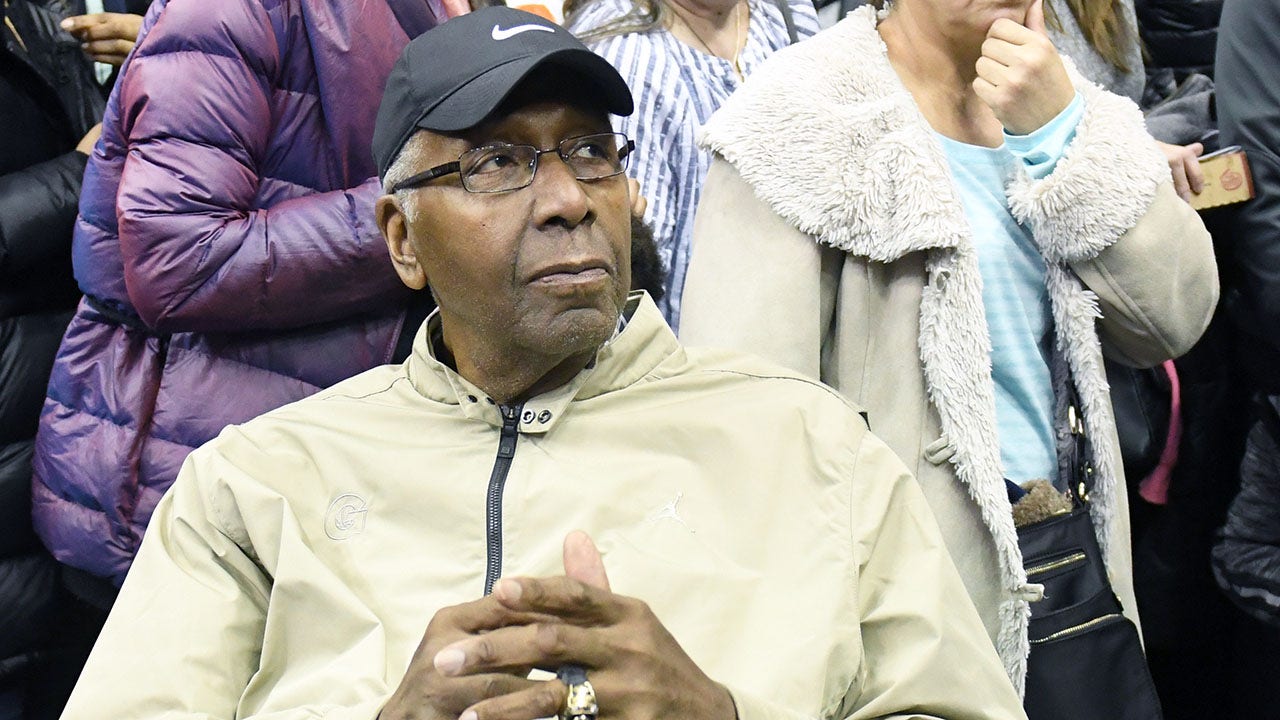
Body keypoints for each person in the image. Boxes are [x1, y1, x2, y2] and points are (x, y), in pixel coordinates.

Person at [58, 9, 1029, 719]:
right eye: (498, 162)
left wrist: (725, 716)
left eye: (590, 152)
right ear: (401, 239)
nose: (569, 198)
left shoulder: (810, 450)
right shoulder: (257, 487)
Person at [679, 0, 1218, 692]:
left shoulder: (1064, 102)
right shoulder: (796, 120)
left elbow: (1173, 318)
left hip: (1072, 569)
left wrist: (1062, 135)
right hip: (901, 619)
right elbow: (745, 439)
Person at [30, 0, 445, 615]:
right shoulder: (224, 9)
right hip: (184, 502)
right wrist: (421, 209)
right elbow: (180, 261)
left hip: (318, 484)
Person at [563, 0, 819, 330]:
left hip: (797, 326)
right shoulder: (631, 61)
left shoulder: (785, 13)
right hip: (699, 351)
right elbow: (628, 306)